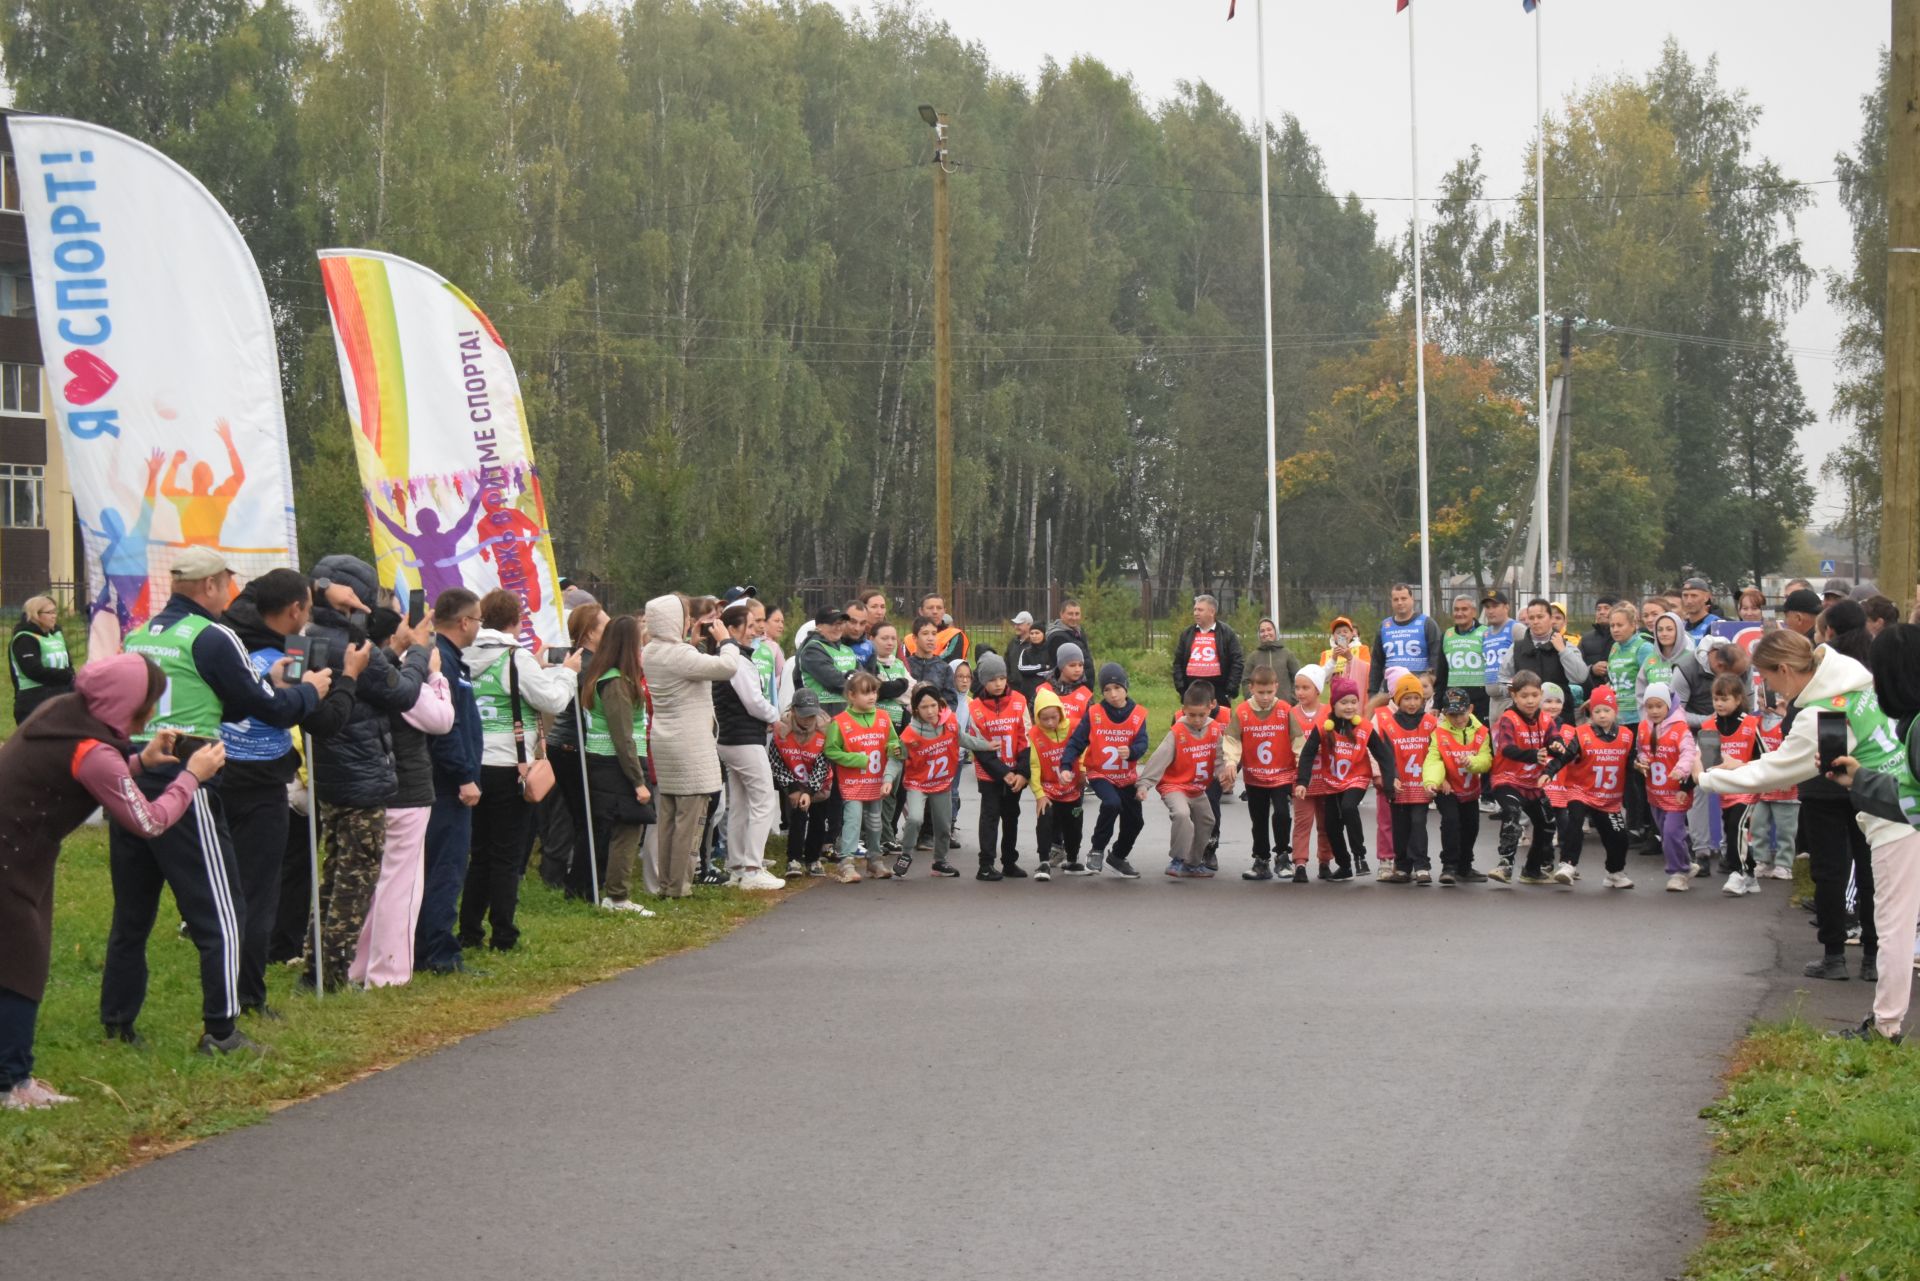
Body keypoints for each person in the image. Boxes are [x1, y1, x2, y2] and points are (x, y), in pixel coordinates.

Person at [104, 547, 329, 1053]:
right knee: (223, 910)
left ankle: (117, 1023)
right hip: (187, 775)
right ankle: (223, 1030)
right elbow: (265, 710)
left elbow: (204, 696)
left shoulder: (143, 633)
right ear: (208, 585)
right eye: (227, 582)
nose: (231, 592)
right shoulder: (213, 634)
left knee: (133, 911)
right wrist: (309, 691)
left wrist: (262, 686)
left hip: (136, 770)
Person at [1, 654, 226, 1108]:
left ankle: (13, 1073)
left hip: (17, 851)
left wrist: (140, 762)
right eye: (147, 703)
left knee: (14, 961)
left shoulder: (60, 714)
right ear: (128, 704)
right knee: (20, 966)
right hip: (12, 858)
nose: (149, 713)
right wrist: (190, 777)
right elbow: (149, 821)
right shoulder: (94, 752)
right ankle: (12, 1083)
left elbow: (93, 774)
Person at [1703, 629, 1920, 1041]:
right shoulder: (1855, 680)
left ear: (1784, 669)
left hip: (1896, 816)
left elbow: (1779, 769)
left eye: (1769, 677)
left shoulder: (1821, 712)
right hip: (1901, 803)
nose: (1769, 688)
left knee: (1894, 926)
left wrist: (1708, 778)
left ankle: (1886, 1026)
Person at [218, 569, 362, 1015]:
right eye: (306, 606)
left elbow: (257, 594)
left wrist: (317, 589)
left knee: (227, 889)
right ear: (296, 610)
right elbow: (324, 721)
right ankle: (249, 996)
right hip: (263, 784)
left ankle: (223, 980)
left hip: (219, 773)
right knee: (260, 893)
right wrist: (349, 679)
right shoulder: (288, 658)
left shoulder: (229, 643)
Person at [301, 555, 432, 992]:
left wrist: (393, 653)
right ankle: (330, 974)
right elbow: (404, 694)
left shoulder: (308, 637)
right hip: (365, 776)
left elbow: (369, 679)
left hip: (329, 773)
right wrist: (417, 654)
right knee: (354, 884)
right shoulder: (356, 646)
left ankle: (312, 963)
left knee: (332, 872)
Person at [461, 589, 579, 946]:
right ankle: (503, 931)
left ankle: (468, 930)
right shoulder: (515, 658)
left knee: (479, 852)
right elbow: (553, 700)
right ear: (516, 622)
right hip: (511, 765)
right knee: (507, 854)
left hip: (473, 762)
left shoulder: (463, 654)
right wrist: (566, 673)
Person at [353, 605, 455, 985]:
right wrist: (436, 675)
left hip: (370, 785)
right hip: (407, 789)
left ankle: (359, 965)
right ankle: (389, 971)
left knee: (373, 881)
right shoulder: (398, 680)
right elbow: (440, 719)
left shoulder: (363, 672)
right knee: (401, 884)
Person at [641, 594, 740, 897]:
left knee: (668, 817)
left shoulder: (652, 651)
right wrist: (727, 641)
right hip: (690, 746)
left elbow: (688, 668)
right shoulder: (679, 655)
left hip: (666, 741)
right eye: (683, 617)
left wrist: (691, 643)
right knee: (690, 821)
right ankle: (678, 885)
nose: (687, 622)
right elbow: (727, 668)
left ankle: (665, 882)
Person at [416, 590, 485, 976]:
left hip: (441, 782)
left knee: (436, 868)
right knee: (445, 869)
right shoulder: (441, 660)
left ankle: (425, 946)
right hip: (446, 785)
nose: (478, 628)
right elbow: (447, 726)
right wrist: (463, 776)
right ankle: (440, 953)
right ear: (463, 622)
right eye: (477, 621)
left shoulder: (449, 658)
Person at [574, 614, 660, 911]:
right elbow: (623, 737)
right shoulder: (616, 684)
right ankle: (618, 896)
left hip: (607, 762)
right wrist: (638, 782)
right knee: (629, 826)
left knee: (617, 829)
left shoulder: (605, 676)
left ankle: (610, 892)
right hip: (616, 764)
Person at [893, 683, 1004, 878]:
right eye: (924, 707)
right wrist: (887, 779)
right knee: (915, 818)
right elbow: (896, 759)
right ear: (916, 709)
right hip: (918, 783)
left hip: (942, 782)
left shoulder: (951, 722)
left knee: (944, 825)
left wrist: (986, 745)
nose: (930, 711)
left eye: (933, 705)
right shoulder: (910, 734)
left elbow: (963, 739)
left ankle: (940, 862)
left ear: (940, 704)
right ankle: (906, 853)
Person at [1669, 638, 1755, 876]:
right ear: (1719, 665)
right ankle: (1702, 852)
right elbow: (1677, 713)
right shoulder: (1685, 669)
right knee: (1700, 790)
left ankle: (1731, 854)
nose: (1737, 679)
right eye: (1733, 674)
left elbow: (1748, 702)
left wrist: (1732, 720)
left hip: (1735, 734)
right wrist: (1712, 721)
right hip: (1701, 735)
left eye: (1741, 674)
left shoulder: (1741, 667)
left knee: (1734, 796)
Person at [714, 600, 784, 890]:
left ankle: (738, 867)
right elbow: (753, 701)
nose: (755, 627)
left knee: (741, 803)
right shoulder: (738, 661)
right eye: (749, 623)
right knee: (763, 799)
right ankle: (753, 868)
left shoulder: (733, 657)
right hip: (743, 738)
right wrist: (775, 716)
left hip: (732, 737)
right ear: (731, 629)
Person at [543, 602, 609, 890]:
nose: (611, 630)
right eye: (605, 626)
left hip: (562, 741)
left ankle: (556, 870)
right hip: (573, 744)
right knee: (577, 814)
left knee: (567, 811)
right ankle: (561, 874)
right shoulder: (589, 663)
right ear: (590, 632)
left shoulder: (574, 657)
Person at [1544, 684, 1635, 889]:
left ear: (1615, 711)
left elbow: (1631, 761)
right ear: (1590, 713)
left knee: (1619, 837)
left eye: (1606, 710)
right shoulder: (1582, 733)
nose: (1602, 715)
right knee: (1574, 823)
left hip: (1609, 797)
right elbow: (1565, 756)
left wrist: (1638, 765)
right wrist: (1548, 772)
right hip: (1581, 790)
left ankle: (1614, 872)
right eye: (1597, 711)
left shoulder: (1627, 735)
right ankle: (1567, 865)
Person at [1063, 661, 1147, 879]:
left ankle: (1118, 856)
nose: (1113, 694)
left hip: (1126, 777)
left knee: (1136, 821)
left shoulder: (1138, 714)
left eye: (1117, 688)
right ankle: (1097, 849)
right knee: (1111, 803)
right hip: (1100, 774)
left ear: (1126, 688)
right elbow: (1076, 741)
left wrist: (1132, 751)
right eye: (1107, 690)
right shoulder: (1094, 713)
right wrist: (1066, 765)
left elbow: (1143, 743)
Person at [1138, 681, 1225, 879]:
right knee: (1182, 814)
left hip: (1197, 788)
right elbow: (1159, 758)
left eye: (1201, 715)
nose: (1196, 720)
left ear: (1210, 708)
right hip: (1174, 786)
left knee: (1207, 820)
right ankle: (1177, 859)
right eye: (1191, 715)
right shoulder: (1177, 732)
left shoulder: (1214, 730)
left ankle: (1192, 863)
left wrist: (1223, 775)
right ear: (1183, 710)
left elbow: (1219, 758)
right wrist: (1144, 784)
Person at [823, 670, 899, 883]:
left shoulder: (884, 718)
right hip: (853, 784)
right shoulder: (840, 722)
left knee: (876, 823)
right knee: (853, 821)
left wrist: (895, 748)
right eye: (866, 693)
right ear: (851, 696)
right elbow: (830, 750)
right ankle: (846, 862)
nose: (872, 697)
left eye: (874, 691)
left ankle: (874, 860)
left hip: (876, 782)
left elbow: (892, 741)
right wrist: (855, 759)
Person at [1485, 670, 1559, 887]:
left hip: (1533, 783)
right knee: (1512, 812)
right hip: (1507, 779)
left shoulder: (1545, 719)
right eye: (1524, 695)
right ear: (1514, 695)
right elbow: (1506, 748)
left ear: (1541, 695)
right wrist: (1533, 754)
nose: (1530, 700)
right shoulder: (1508, 718)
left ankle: (1532, 870)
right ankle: (1505, 864)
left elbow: (1554, 738)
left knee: (1547, 823)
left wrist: (1557, 744)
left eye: (1534, 695)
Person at [1293, 675, 1371, 880]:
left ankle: (1359, 856)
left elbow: (1383, 752)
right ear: (1334, 704)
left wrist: (1389, 778)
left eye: (1354, 702)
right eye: (1344, 702)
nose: (1349, 706)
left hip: (1356, 779)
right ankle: (1344, 865)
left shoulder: (1364, 726)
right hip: (1332, 781)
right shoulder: (1324, 726)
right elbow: (1308, 753)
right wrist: (1302, 781)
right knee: (1330, 825)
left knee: (1348, 808)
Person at [1222, 665, 1295, 881]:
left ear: (1276, 687)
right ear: (1251, 688)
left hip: (1281, 774)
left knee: (1282, 813)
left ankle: (1282, 856)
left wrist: (1301, 764)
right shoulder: (1243, 711)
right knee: (1259, 819)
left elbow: (1297, 738)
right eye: (1260, 692)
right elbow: (1233, 739)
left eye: (1269, 692)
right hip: (1255, 776)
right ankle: (1261, 860)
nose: (1265, 697)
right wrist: (1231, 762)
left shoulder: (1284, 709)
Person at [1366, 672, 1436, 884]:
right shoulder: (1388, 723)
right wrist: (1391, 777)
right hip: (1398, 787)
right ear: (1397, 700)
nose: (1412, 703)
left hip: (1420, 786)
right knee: (1400, 827)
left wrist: (1434, 779)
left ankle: (1422, 866)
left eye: (1416, 698)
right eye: (1407, 698)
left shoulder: (1430, 722)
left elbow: (1436, 753)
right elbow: (1385, 754)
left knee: (1418, 823)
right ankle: (1403, 866)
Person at [968, 653, 1031, 880]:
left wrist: (1022, 772)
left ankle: (1009, 862)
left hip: (1015, 772)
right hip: (990, 773)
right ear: (984, 681)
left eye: (1002, 678)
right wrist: (1003, 773)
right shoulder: (974, 708)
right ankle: (985, 865)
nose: (998, 683)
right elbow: (980, 747)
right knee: (990, 816)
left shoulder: (1019, 701)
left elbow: (1026, 739)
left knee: (1011, 816)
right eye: (993, 679)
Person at [1634, 683, 1699, 892]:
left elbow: (1689, 753)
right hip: (1654, 791)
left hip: (1676, 792)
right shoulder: (1643, 727)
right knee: (1668, 833)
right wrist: (1641, 762)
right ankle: (1687, 863)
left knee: (1671, 832)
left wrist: (1681, 770)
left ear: (1668, 706)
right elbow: (1642, 750)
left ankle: (1677, 872)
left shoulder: (1680, 728)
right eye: (1649, 706)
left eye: (1658, 706)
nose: (1653, 711)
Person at [1423, 687, 1491, 884]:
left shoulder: (1481, 732)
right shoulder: (1439, 733)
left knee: (1471, 827)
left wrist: (1473, 763)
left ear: (1470, 709)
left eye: (1461, 713)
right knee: (1451, 822)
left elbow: (1486, 759)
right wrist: (1433, 781)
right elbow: (1433, 759)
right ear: (1444, 713)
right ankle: (1449, 866)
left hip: (1470, 788)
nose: (1458, 719)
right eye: (1452, 715)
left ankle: (1465, 866)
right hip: (1448, 787)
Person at [1603, 603, 1655, 842]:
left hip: (1637, 718)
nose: (1615, 629)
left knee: (1637, 775)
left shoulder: (1643, 648)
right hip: (1618, 720)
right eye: (1612, 625)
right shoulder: (1614, 648)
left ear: (1633, 625)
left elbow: (1650, 682)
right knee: (1623, 773)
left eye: (1620, 625)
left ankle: (1639, 825)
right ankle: (1632, 820)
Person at [770, 691, 835, 878]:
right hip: (794, 781)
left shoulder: (826, 730)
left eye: (812, 715)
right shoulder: (781, 730)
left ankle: (813, 858)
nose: (808, 719)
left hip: (819, 784)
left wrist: (810, 790)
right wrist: (792, 789)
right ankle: (794, 859)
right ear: (794, 710)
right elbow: (776, 762)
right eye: (804, 714)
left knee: (818, 820)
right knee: (797, 819)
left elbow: (823, 764)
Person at [1028, 687, 1088, 880]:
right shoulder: (1035, 735)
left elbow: (1085, 749)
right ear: (1038, 718)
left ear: (1061, 713)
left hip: (1072, 790)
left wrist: (1082, 770)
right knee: (1044, 821)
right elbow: (1034, 767)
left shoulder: (1074, 727)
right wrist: (1039, 794)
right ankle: (1044, 862)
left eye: (1054, 717)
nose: (1050, 722)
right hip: (1049, 791)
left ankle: (1071, 859)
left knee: (1074, 826)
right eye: (1044, 719)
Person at [1286, 665, 1332, 879]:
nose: (1300, 692)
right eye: (1297, 687)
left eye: (1306, 687)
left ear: (1318, 690)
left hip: (1326, 778)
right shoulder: (1291, 714)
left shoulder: (1329, 712)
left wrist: (1327, 745)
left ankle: (1325, 861)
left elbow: (1342, 741)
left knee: (1326, 823)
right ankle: (1300, 863)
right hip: (1302, 779)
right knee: (1303, 822)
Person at [1498, 597, 1590, 697]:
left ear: (1551, 618)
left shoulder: (1565, 646)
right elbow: (1502, 679)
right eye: (1531, 618)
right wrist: (1515, 688)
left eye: (1540, 617)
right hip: (1526, 710)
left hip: (1558, 709)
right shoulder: (1516, 648)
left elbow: (1580, 676)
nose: (1535, 621)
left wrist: (1563, 651)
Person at [1368, 583, 1446, 697]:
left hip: (1418, 691)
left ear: (1412, 599)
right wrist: (1372, 692)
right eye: (1396, 599)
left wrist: (1432, 682)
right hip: (1390, 691)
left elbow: (1437, 656)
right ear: (1391, 602)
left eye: (1404, 598)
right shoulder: (1384, 626)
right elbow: (1376, 662)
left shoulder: (1427, 623)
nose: (1400, 602)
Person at [9, 595, 73, 725]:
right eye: (49, 612)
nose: (54, 616)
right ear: (35, 614)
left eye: (55, 612)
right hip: (34, 699)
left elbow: (68, 663)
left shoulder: (55, 636)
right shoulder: (25, 639)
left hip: (62, 695)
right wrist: (66, 676)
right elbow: (33, 671)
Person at [1173, 594, 1244, 705]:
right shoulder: (1187, 634)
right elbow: (1177, 662)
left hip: (1219, 692)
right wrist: (1182, 689)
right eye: (1195, 609)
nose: (1196, 613)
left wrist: (1230, 691)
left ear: (1212, 612)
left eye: (1200, 610)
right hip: (1191, 690)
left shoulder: (1227, 633)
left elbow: (1237, 661)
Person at [797, 607, 858, 715]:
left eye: (841, 623)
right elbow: (834, 681)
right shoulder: (812, 649)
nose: (838, 628)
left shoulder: (847, 649)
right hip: (822, 713)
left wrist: (851, 677)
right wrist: (853, 677)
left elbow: (865, 678)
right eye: (832, 624)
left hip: (849, 712)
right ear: (819, 626)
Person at [1440, 596, 1489, 724]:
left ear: (1474, 612)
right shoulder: (1446, 635)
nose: (1459, 613)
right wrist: (1437, 702)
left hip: (1480, 698)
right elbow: (1441, 672)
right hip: (1453, 699)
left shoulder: (1486, 633)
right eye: (1456, 609)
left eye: (1464, 609)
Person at [1480, 592, 1524, 725]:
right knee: (1496, 742)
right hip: (1493, 700)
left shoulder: (1516, 629)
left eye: (1495, 606)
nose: (1490, 611)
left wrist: (1514, 691)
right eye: (1487, 607)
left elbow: (1525, 665)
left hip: (1509, 699)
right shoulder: (1486, 633)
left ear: (1506, 607)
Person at [1638, 612, 1690, 705]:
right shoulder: (1650, 659)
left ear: (1679, 631)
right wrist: (1646, 716)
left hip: (1682, 717)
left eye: (1669, 629)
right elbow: (1640, 693)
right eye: (1660, 630)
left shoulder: (1690, 658)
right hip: (1653, 717)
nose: (1664, 634)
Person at [1245, 617, 1302, 696]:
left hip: (1284, 706)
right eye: (1262, 631)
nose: (1266, 633)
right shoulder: (1253, 657)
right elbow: (1246, 681)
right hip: (1259, 707)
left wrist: (1292, 699)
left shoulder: (1287, 654)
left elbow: (1298, 678)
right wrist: (1251, 699)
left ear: (1275, 631)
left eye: (1269, 629)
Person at [1318, 616, 1371, 698]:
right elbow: (1321, 678)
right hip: (1336, 697)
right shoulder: (1326, 654)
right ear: (1333, 636)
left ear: (1352, 634)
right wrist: (1333, 659)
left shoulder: (1362, 649)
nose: (1342, 634)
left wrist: (1350, 658)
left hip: (1358, 695)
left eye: (1345, 631)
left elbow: (1368, 671)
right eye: (1338, 632)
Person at [1041, 598, 1093, 676]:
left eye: (1077, 614)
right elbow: (1060, 669)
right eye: (1070, 614)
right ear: (1061, 614)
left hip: (1084, 684)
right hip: (1072, 685)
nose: (1074, 617)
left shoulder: (1079, 631)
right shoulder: (1057, 637)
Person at [1007, 613, 1048, 703]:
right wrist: (1009, 680)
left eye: (1019, 624)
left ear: (1029, 625)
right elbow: (1007, 664)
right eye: (1015, 624)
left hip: (1036, 691)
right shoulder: (1012, 643)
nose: (1016, 627)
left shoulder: (1039, 647)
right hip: (1014, 689)